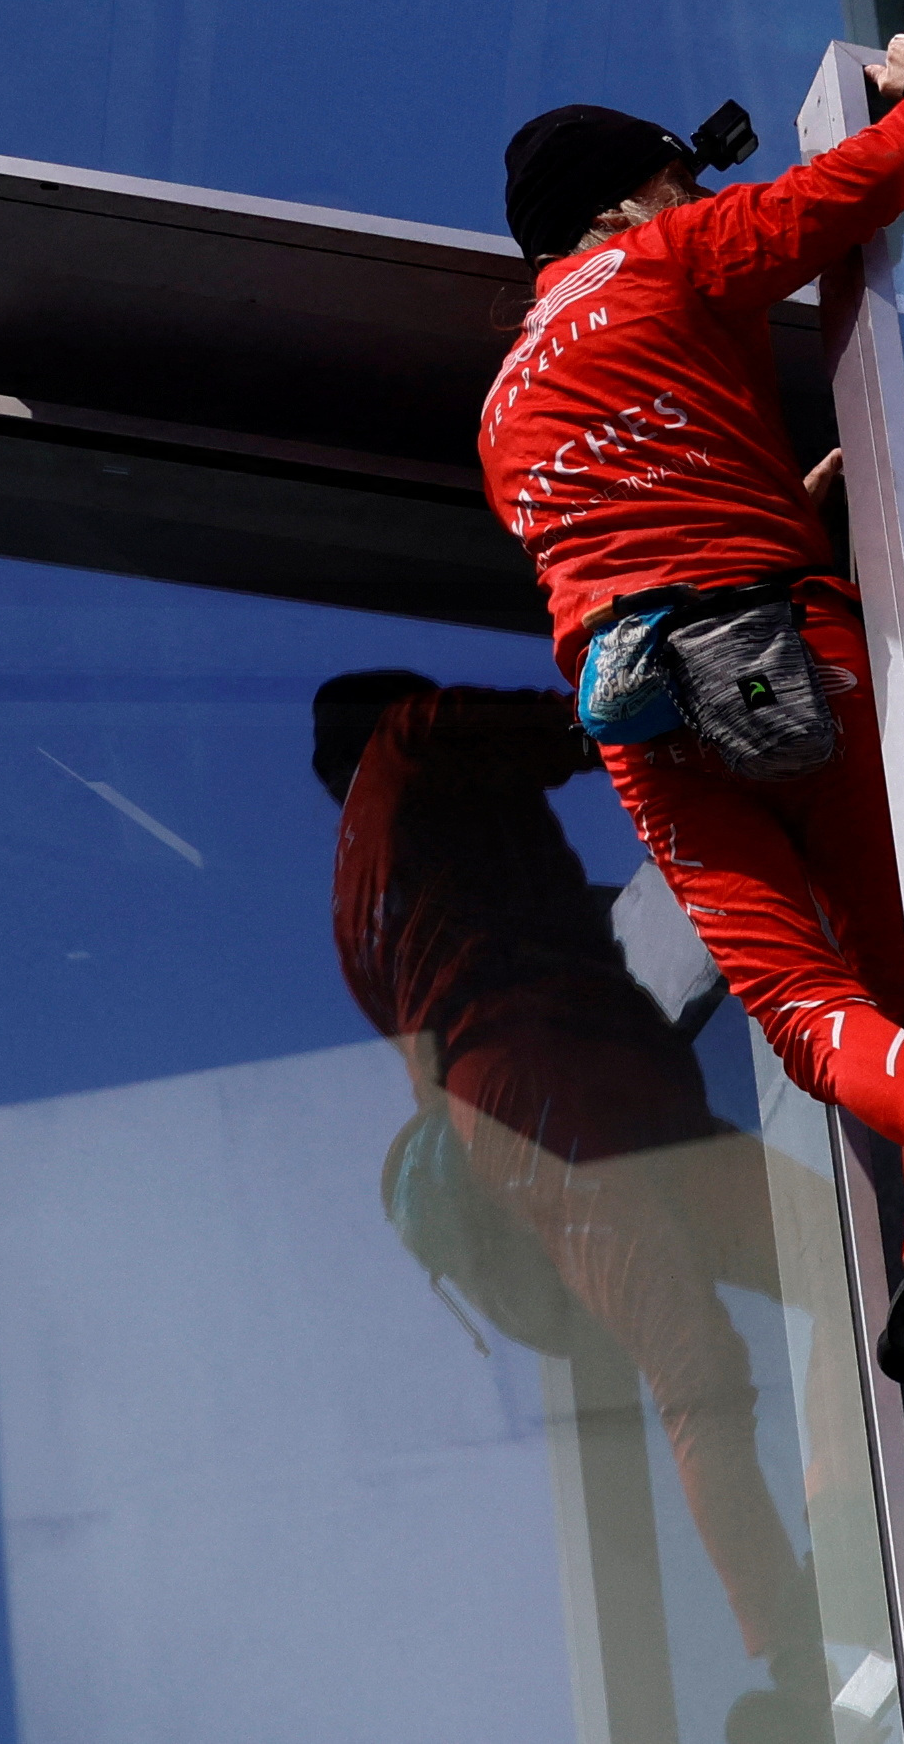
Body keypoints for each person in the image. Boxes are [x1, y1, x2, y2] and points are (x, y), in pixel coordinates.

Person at [482, 22, 904, 1383]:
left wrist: (777, 501)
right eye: (675, 178)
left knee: (804, 1001)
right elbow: (849, 195)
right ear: (620, 200)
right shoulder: (661, 256)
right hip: (778, 649)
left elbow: (633, 522)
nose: (693, 200)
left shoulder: (502, 405)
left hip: (643, 722)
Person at [317, 671, 830, 1713]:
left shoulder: (357, 912)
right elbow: (595, 713)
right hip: (561, 1085)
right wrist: (742, 685)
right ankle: (792, 1647)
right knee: (746, 1330)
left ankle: (821, 1596)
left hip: (546, 1099)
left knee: (820, 1271)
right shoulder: (413, 745)